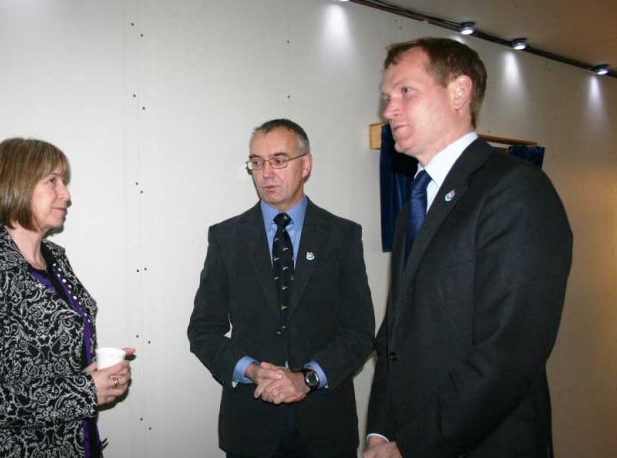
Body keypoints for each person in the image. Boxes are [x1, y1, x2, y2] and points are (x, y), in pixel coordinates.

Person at [365, 38, 573, 458]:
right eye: (387, 97)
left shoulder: (516, 190)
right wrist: (380, 432)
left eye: (406, 91)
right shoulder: (413, 208)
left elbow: (507, 354)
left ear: (459, 92)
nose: (388, 110)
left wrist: (412, 446)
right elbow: (395, 335)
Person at [188, 118, 375, 458]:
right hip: (250, 425)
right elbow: (203, 330)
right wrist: (252, 370)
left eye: (278, 160)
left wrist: (307, 378)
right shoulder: (226, 238)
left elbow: (359, 332)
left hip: (326, 424)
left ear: (306, 164)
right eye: (256, 162)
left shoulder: (342, 236)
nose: (265, 173)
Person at [0, 137, 133, 457]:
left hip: (74, 443)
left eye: (64, 182)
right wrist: (84, 391)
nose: (66, 195)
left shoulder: (55, 260)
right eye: (52, 181)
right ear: (16, 185)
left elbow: (49, 359)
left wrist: (95, 372)